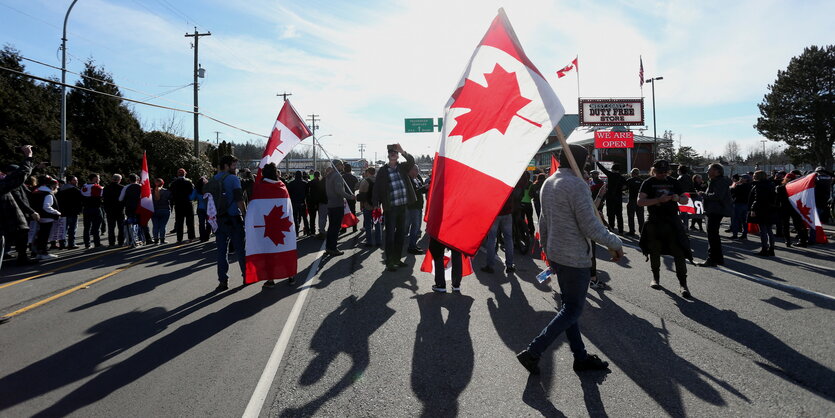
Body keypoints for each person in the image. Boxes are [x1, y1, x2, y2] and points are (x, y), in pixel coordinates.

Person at [516, 145, 623, 375]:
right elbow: (591, 227)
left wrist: (546, 248)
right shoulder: (577, 185)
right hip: (574, 257)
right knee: (573, 309)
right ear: (582, 162)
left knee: (568, 308)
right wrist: (615, 243)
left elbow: (542, 222)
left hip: (556, 254)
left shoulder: (549, 182)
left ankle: (580, 356)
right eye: (586, 162)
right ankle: (533, 351)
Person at [638, 159, 693, 298]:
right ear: (654, 170)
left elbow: (686, 200)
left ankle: (683, 284)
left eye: (665, 171)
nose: (663, 174)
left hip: (672, 222)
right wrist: (658, 200)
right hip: (654, 222)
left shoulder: (674, 182)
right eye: (659, 172)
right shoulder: (648, 182)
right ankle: (655, 278)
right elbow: (640, 202)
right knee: (654, 251)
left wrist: (678, 199)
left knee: (679, 253)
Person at [372, 143, 417, 271]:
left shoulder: (402, 167)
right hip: (390, 208)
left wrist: (402, 150)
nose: (393, 153)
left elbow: (411, 161)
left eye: (395, 152)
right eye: (391, 152)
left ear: (397, 156)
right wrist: (376, 205)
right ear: (388, 155)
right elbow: (376, 189)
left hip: (403, 207)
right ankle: (390, 261)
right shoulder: (383, 171)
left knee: (401, 234)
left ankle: (397, 259)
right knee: (390, 235)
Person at [210, 155, 247, 291]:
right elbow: (239, 199)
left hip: (219, 219)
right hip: (233, 218)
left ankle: (223, 281)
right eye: (233, 165)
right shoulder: (233, 179)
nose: (235, 167)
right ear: (226, 165)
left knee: (221, 251)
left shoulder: (213, 179)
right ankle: (246, 275)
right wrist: (245, 213)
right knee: (240, 249)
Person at [0, 145, 37, 268]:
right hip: (8, 220)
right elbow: (19, 176)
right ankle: (21, 257)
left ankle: (22, 257)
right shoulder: (5, 184)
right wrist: (28, 157)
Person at [698, 163, 732, 267]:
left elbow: (717, 196)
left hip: (715, 210)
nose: (707, 172)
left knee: (712, 236)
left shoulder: (719, 181)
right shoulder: (717, 181)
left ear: (717, 171)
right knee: (713, 235)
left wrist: (703, 194)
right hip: (714, 210)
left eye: (710, 170)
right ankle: (718, 259)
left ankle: (712, 259)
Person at [325, 161, 354, 256]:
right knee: (335, 227)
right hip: (337, 204)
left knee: (331, 227)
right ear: (337, 166)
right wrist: (350, 196)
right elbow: (339, 191)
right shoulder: (337, 176)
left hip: (331, 204)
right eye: (341, 165)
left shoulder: (329, 175)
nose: (343, 166)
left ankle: (329, 247)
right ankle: (333, 248)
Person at [481, 191, 514, 274]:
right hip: (507, 213)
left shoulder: (494, 183)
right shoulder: (509, 181)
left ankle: (490, 265)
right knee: (508, 239)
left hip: (495, 213)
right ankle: (509, 265)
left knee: (491, 239)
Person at [31, 176, 62, 259]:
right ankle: (43, 253)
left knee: (39, 235)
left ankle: (36, 252)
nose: (57, 187)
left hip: (38, 217)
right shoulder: (48, 194)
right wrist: (57, 212)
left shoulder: (37, 192)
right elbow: (46, 207)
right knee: (44, 236)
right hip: (47, 217)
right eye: (56, 186)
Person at [748, 170, 777, 256]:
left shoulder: (759, 185)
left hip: (761, 209)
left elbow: (757, 199)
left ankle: (765, 248)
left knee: (763, 230)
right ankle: (771, 249)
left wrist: (753, 209)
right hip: (770, 209)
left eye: (754, 175)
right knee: (769, 230)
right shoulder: (771, 184)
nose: (753, 176)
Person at [120, 173, 152, 246]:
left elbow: (120, 198)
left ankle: (132, 239)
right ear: (137, 179)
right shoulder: (142, 187)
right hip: (140, 207)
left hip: (129, 207)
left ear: (129, 180)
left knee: (131, 223)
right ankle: (147, 239)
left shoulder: (126, 187)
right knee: (143, 223)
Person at [776, 173, 807, 247]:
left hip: (784, 208)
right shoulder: (799, 187)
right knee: (798, 224)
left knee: (786, 225)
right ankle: (802, 240)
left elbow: (777, 199)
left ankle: (787, 241)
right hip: (795, 207)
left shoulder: (780, 187)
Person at [597, 162, 626, 234]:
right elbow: (625, 187)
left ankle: (611, 229)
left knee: (610, 214)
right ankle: (621, 230)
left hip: (610, 198)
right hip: (618, 198)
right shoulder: (622, 177)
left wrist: (597, 162)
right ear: (619, 170)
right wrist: (620, 189)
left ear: (612, 169)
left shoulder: (610, 175)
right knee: (619, 215)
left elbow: (602, 169)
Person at [169, 168, 196, 242]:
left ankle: (179, 238)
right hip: (188, 202)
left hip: (178, 204)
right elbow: (192, 192)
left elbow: (171, 193)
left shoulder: (174, 183)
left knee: (179, 221)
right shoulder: (189, 182)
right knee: (190, 221)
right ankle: (191, 237)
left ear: (178, 174)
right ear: (185, 174)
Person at [406, 165, 428, 255]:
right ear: (410, 170)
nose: (417, 172)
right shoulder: (408, 180)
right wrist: (425, 187)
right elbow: (414, 192)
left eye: (417, 170)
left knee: (416, 227)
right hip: (413, 207)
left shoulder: (416, 179)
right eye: (415, 170)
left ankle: (413, 245)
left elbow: (420, 190)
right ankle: (411, 247)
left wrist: (426, 188)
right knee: (414, 227)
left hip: (418, 206)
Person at [357, 167, 381, 247]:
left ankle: (369, 242)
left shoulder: (364, 181)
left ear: (368, 173)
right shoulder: (378, 181)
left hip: (367, 206)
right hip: (376, 206)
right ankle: (378, 241)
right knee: (377, 224)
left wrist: (361, 206)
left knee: (367, 224)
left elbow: (361, 195)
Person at [57, 175, 83, 249]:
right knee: (72, 230)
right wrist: (79, 210)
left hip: (63, 212)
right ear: (69, 181)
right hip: (73, 212)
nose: (76, 181)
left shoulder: (60, 190)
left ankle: (62, 244)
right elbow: (80, 202)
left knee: (63, 229)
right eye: (74, 180)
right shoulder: (76, 190)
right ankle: (71, 244)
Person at [80, 173, 104, 249]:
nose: (99, 180)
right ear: (94, 179)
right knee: (96, 228)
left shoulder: (84, 186)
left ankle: (87, 244)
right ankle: (97, 243)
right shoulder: (97, 187)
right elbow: (102, 194)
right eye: (98, 178)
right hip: (95, 208)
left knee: (86, 227)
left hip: (86, 209)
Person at [102, 174, 125, 247]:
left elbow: (104, 199)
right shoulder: (122, 188)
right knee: (121, 227)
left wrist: (106, 209)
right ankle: (120, 241)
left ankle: (111, 242)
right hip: (119, 210)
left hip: (110, 210)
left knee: (111, 227)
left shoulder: (106, 188)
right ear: (119, 180)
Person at [729, 174, 752, 240]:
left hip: (738, 204)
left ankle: (735, 235)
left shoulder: (740, 186)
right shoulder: (750, 186)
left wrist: (734, 184)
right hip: (746, 204)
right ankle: (744, 234)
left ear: (745, 179)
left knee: (735, 219)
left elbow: (732, 191)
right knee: (744, 221)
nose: (740, 179)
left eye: (742, 178)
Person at [287, 171, 310, 236]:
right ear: (301, 175)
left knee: (295, 218)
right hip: (302, 202)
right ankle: (308, 231)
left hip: (294, 202)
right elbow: (307, 194)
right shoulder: (305, 183)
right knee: (305, 218)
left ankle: (296, 232)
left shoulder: (291, 183)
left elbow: (289, 194)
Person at [151, 178, 173, 244]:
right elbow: (171, 199)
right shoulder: (166, 191)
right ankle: (162, 240)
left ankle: (156, 240)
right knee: (163, 225)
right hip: (165, 210)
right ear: (163, 184)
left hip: (154, 210)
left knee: (155, 225)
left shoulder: (151, 192)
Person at [625, 168, 644, 236]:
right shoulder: (642, 181)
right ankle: (642, 231)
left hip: (632, 200)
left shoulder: (629, 180)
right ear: (638, 174)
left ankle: (632, 231)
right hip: (640, 200)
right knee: (641, 217)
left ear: (632, 173)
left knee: (631, 216)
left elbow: (624, 188)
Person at [341, 164, 359, 233]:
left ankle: (344, 228)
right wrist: (353, 189)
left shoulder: (342, 177)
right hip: (352, 197)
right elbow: (357, 187)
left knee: (344, 213)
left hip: (344, 197)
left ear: (344, 169)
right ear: (350, 169)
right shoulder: (354, 178)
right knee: (353, 212)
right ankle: (354, 228)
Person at [191, 177, 210, 242]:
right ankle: (207, 236)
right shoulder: (209, 188)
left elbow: (191, 197)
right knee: (209, 222)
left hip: (200, 208)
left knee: (201, 223)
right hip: (209, 208)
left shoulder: (196, 190)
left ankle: (202, 237)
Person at [307, 171, 322, 238]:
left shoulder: (310, 183)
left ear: (314, 175)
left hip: (311, 202)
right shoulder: (321, 183)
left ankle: (312, 231)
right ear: (319, 175)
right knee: (321, 217)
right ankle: (321, 230)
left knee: (312, 218)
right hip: (320, 202)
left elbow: (307, 193)